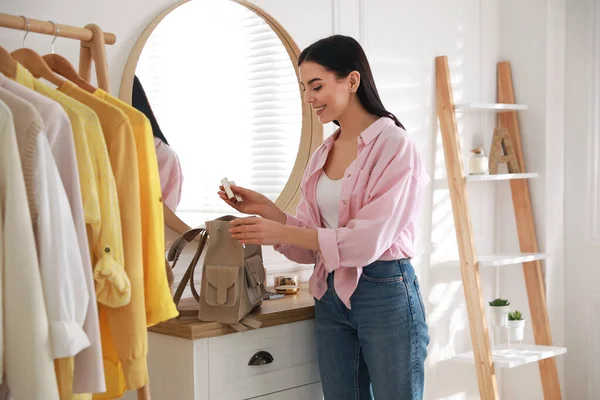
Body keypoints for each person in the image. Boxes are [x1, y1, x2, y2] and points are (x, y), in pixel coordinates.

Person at [219, 34, 429, 400]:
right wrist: (268, 211)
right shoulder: (323, 153)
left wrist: (277, 230)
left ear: (351, 80)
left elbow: (366, 241)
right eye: (303, 88)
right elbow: (311, 245)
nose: (308, 97)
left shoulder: (395, 145)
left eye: (316, 86)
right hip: (329, 292)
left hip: (384, 290)